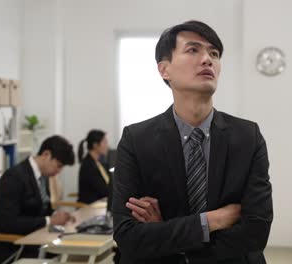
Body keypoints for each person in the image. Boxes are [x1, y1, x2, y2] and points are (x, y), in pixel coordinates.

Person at [113, 20, 273, 264]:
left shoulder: (247, 136)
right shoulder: (136, 140)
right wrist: (214, 220)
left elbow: (255, 232)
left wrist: (168, 235)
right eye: (193, 50)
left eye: (214, 53)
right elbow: (128, 236)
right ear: (164, 69)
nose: (207, 59)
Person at [0, 135, 75, 263]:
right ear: (46, 154)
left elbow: (40, 209)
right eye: (58, 165)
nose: (58, 171)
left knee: (73, 247)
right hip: (15, 248)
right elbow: (9, 223)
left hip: (35, 239)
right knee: (71, 256)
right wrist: (49, 220)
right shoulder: (14, 177)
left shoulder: (41, 176)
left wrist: (57, 216)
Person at [77, 129, 111, 204]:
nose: (107, 146)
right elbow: (104, 190)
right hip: (90, 207)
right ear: (95, 145)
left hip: (101, 203)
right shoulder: (88, 165)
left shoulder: (100, 163)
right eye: (104, 142)